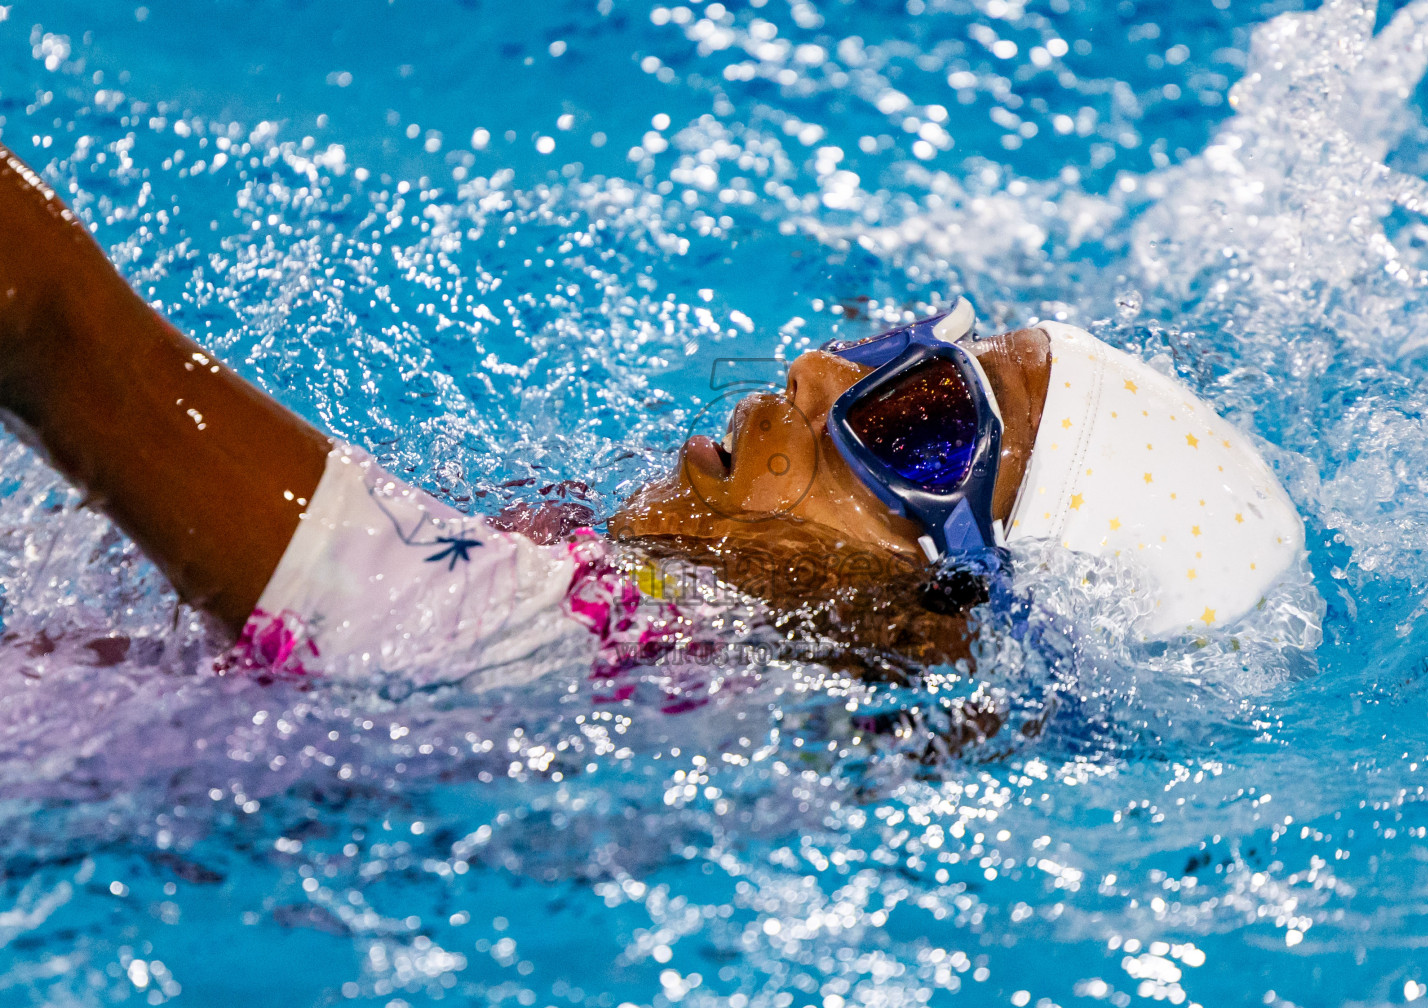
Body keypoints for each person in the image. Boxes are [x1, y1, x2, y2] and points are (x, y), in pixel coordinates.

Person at [0, 142, 1312, 689]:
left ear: (945, 624)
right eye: (909, 345)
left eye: (916, 414)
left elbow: (40, 322)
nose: (816, 373)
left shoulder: (584, 664)